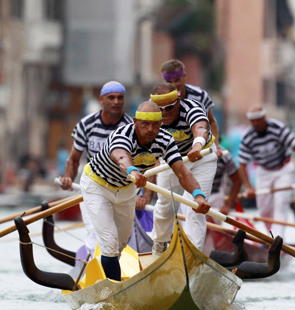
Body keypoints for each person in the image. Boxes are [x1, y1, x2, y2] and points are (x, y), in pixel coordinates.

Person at [79, 101, 210, 280]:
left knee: (121, 243)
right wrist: (132, 170)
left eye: (155, 124)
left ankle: (107, 278)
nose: (150, 129)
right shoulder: (122, 136)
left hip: (126, 189)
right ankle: (115, 290)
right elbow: (121, 156)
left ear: (161, 124)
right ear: (135, 122)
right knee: (109, 243)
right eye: (145, 124)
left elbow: (182, 172)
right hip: (97, 186)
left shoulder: (166, 140)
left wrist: (199, 196)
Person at [59, 81, 134, 256]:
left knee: (121, 239)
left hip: (123, 187)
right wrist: (68, 179)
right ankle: (97, 271)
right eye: (111, 98)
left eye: (120, 98)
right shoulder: (86, 124)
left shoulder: (131, 127)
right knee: (95, 232)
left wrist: (142, 195)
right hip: (94, 185)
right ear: (102, 99)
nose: (116, 101)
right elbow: (73, 159)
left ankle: (115, 268)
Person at [150, 83, 217, 254]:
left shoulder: (192, 108)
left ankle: (192, 255)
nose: (165, 113)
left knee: (195, 208)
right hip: (171, 161)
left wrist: (197, 145)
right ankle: (159, 247)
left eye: (170, 107)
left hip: (201, 158)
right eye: (161, 109)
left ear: (178, 101)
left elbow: (200, 128)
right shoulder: (151, 117)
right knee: (165, 206)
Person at [238, 105, 295, 238]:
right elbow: (242, 164)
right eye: (252, 121)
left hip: (282, 170)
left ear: (264, 117)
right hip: (263, 172)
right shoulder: (248, 136)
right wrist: (248, 187)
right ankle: (272, 238)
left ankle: (278, 240)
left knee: (281, 205)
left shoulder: (278, 129)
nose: (256, 123)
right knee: (264, 212)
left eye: (258, 120)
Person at [161, 59, 222, 157]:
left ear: (184, 77)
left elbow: (211, 121)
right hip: (171, 153)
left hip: (199, 149)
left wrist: (216, 146)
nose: (174, 85)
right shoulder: (156, 101)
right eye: (169, 82)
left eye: (177, 80)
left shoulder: (200, 96)